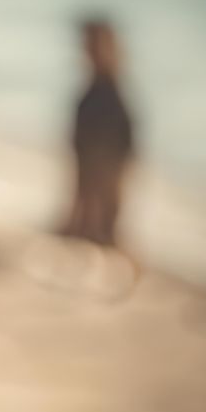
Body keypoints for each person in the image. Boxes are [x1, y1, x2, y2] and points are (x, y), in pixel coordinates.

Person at [59, 16, 138, 258]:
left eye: (91, 44)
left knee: (104, 234)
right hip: (95, 182)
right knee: (98, 235)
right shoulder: (100, 93)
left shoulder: (106, 96)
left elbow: (121, 150)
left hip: (102, 183)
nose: (87, 51)